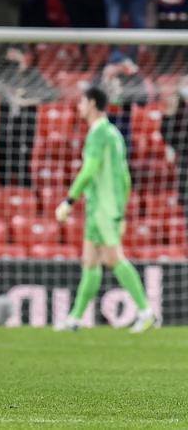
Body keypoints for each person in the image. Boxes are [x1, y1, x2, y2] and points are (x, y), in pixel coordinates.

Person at [54, 87, 156, 333]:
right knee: (89, 261)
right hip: (104, 206)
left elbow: (89, 170)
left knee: (113, 257)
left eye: (81, 102)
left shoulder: (98, 133)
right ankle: (75, 319)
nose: (79, 106)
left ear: (91, 103)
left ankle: (146, 311)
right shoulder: (114, 133)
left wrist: (69, 201)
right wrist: (121, 209)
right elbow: (125, 177)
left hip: (102, 207)